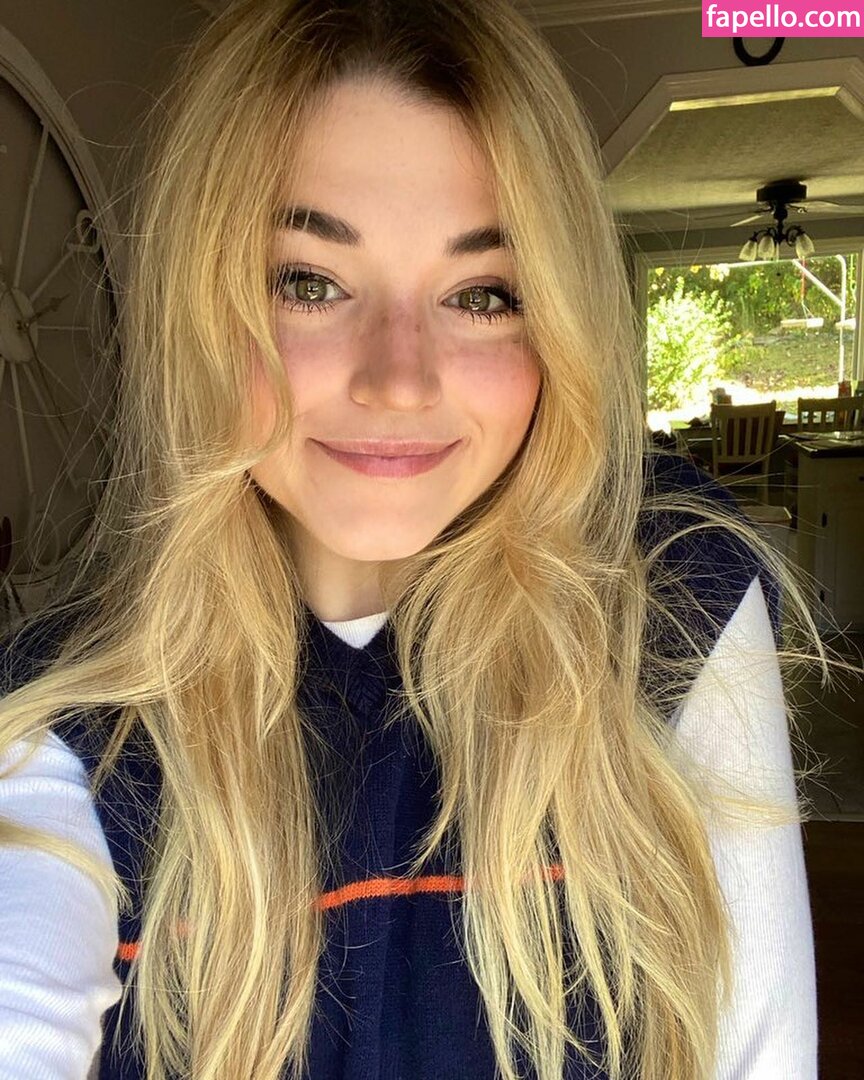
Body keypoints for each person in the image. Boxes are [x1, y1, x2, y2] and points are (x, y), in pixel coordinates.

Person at [0, 1, 829, 1078]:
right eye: (308, 282)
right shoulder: (68, 735)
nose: (399, 379)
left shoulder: (665, 591)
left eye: (482, 295)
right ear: (201, 308)